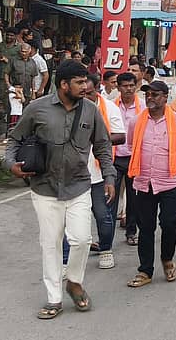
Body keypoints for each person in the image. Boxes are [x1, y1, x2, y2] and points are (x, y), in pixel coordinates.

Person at [5, 62, 116, 319]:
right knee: (51, 244)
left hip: (79, 186)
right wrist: (11, 165)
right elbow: (15, 139)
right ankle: (54, 298)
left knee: (82, 240)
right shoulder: (37, 108)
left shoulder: (90, 110)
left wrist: (109, 176)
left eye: (85, 82)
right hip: (44, 189)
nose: (85, 87)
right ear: (64, 85)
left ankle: (74, 281)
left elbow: (102, 145)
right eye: (79, 82)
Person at [125, 81, 176, 288]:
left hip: (171, 182)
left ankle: (167, 259)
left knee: (169, 223)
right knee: (145, 227)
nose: (150, 98)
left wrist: (171, 160)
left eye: (155, 95)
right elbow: (131, 145)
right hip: (143, 182)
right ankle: (145, 270)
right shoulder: (136, 122)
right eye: (148, 95)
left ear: (166, 97)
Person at [62, 74, 126, 270]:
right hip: (70, 175)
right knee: (65, 219)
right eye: (82, 91)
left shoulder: (108, 108)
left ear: (97, 90)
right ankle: (65, 261)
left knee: (103, 215)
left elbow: (121, 136)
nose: (85, 95)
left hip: (97, 175)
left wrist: (96, 137)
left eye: (89, 92)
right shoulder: (66, 109)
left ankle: (105, 249)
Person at [114, 73, 145, 245]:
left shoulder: (143, 107)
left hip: (135, 158)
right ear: (118, 87)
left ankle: (131, 232)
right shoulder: (111, 106)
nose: (129, 89)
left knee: (134, 199)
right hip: (115, 158)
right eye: (125, 86)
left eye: (132, 85)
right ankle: (107, 237)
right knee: (110, 198)